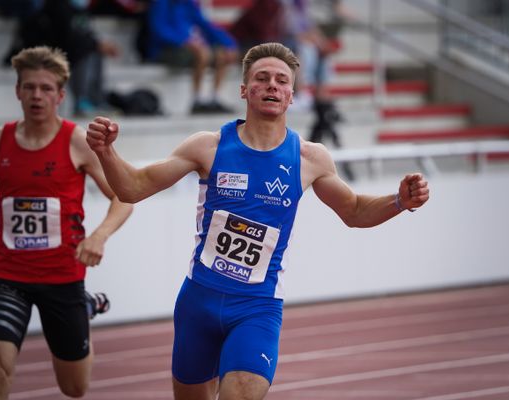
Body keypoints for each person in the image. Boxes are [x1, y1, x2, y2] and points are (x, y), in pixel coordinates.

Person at [86, 42, 429, 399]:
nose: (272, 85)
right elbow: (132, 188)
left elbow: (355, 211)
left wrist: (398, 201)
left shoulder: (310, 158)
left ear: (292, 95)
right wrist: (106, 152)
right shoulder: (209, 146)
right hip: (198, 303)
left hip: (257, 308)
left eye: (282, 80)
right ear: (244, 89)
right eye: (262, 78)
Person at [0, 46, 133, 399]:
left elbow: (123, 197)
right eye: (29, 87)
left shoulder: (77, 143)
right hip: (8, 274)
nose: (36, 95)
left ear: (60, 96)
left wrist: (99, 236)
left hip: (62, 276)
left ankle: (84, 306)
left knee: (74, 387)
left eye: (45, 88)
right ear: (17, 92)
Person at [144, 0, 238, 114]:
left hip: (188, 48)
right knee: (202, 53)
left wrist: (229, 44)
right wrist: (184, 42)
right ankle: (196, 100)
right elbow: (159, 29)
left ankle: (214, 99)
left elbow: (205, 25)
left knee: (222, 54)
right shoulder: (161, 3)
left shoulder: (187, 3)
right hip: (166, 50)